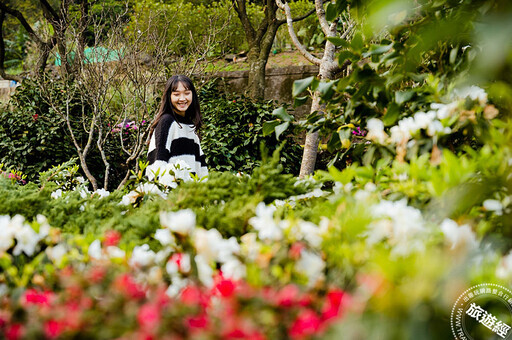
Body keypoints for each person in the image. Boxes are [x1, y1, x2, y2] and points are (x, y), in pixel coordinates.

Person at [146, 75, 208, 181]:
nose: (182, 98)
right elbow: (158, 165)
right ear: (169, 96)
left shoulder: (190, 125)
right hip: (170, 194)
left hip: (189, 193)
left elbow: (200, 167)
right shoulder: (167, 122)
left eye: (187, 93)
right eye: (176, 94)